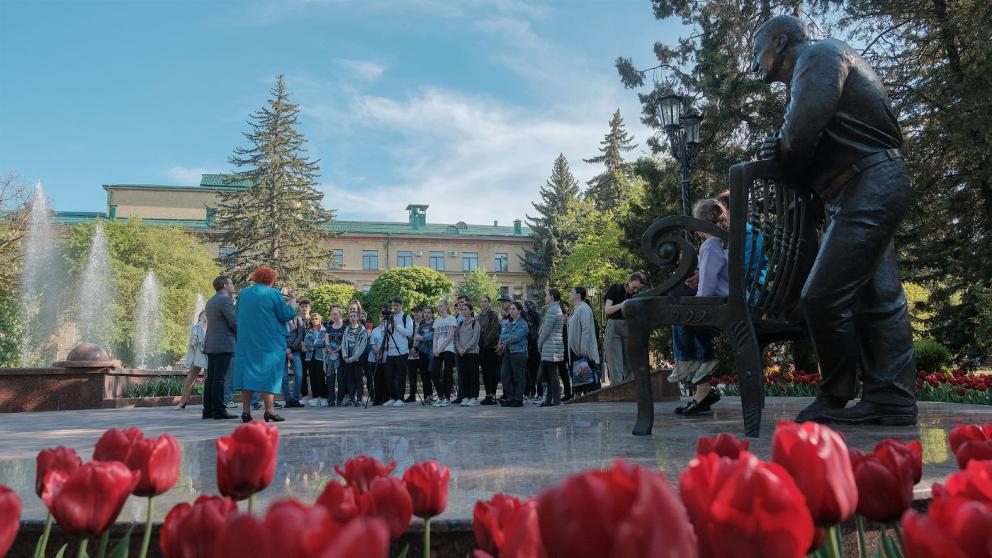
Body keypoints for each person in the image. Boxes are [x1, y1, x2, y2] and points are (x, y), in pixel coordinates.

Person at [752, 15, 917, 425]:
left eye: (758, 52)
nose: (756, 63)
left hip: (869, 182)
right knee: (882, 298)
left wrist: (782, 153)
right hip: (864, 186)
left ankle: (836, 396)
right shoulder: (816, 63)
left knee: (822, 296)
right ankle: (892, 398)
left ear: (781, 39)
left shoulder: (819, 56)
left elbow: (800, 132)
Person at [671, 199, 730, 416]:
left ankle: (692, 360)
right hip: (729, 298)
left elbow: (707, 289)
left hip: (721, 304)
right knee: (680, 307)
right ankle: (697, 376)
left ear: (699, 224)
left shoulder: (710, 245)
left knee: (680, 310)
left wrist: (694, 299)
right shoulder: (724, 242)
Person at [233, 266, 298, 422]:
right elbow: (286, 315)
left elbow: (237, 314)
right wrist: (293, 301)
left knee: (248, 375)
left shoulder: (244, 293)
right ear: (271, 280)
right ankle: (269, 410)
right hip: (269, 342)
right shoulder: (273, 293)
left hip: (247, 341)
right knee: (270, 374)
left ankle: (246, 412)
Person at [603, 271, 647, 383]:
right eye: (634, 287)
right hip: (613, 324)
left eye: (638, 289)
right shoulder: (615, 289)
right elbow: (607, 310)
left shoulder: (637, 296)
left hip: (629, 326)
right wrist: (623, 304)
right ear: (630, 281)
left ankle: (631, 388)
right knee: (614, 361)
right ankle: (616, 387)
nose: (635, 291)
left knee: (630, 361)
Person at [203, 275, 238, 420]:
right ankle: (219, 410)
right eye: (231, 283)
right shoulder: (225, 300)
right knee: (219, 379)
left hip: (211, 344)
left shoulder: (211, 300)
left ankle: (208, 410)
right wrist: (242, 336)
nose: (233, 285)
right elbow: (233, 322)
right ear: (225, 285)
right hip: (223, 344)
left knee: (211, 378)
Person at [568, 287, 601, 395]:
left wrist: (583, 348)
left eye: (572, 292)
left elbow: (586, 329)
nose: (570, 293)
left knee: (585, 376)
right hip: (574, 348)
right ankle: (577, 398)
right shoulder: (574, 309)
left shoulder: (584, 308)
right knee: (578, 376)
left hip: (582, 349)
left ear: (578, 295)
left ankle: (585, 398)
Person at [383, 296, 414, 407]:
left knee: (401, 375)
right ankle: (393, 397)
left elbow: (409, 333)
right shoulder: (390, 317)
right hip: (390, 350)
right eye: (393, 305)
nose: (395, 307)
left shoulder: (407, 317)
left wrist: (397, 326)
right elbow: (384, 332)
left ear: (401, 305)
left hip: (401, 350)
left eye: (397, 305)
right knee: (388, 375)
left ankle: (400, 398)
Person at [498, 301, 530, 407]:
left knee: (519, 376)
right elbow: (503, 334)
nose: (511, 311)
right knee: (504, 375)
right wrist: (508, 338)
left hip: (519, 352)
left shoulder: (523, 324)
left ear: (519, 311)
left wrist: (507, 339)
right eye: (510, 309)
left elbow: (516, 337)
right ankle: (510, 397)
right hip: (508, 352)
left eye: (513, 309)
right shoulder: (511, 323)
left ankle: (518, 398)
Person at [537, 289, 565, 407]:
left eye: (546, 296)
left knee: (552, 375)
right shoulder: (555, 309)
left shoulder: (553, 310)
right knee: (549, 375)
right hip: (552, 346)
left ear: (552, 297)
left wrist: (540, 343)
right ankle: (548, 400)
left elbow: (546, 331)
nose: (545, 298)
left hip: (551, 346)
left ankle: (556, 400)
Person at [176, 311, 207, 410]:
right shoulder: (196, 328)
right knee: (190, 378)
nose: (204, 317)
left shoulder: (213, 327)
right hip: (198, 355)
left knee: (208, 379)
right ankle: (182, 402)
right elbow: (192, 343)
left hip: (209, 355)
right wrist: (196, 340)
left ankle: (207, 403)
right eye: (202, 316)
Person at [430, 299, 458, 407]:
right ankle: (440, 396)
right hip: (438, 350)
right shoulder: (437, 321)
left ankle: (447, 398)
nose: (439, 308)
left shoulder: (452, 319)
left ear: (446, 307)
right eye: (438, 306)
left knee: (447, 373)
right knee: (433, 371)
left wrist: (441, 348)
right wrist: (434, 349)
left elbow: (450, 336)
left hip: (448, 349)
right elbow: (435, 337)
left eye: (441, 306)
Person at [340, 309, 369, 407]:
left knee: (358, 379)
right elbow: (343, 343)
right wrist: (344, 356)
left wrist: (352, 358)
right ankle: (352, 398)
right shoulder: (347, 329)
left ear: (357, 317)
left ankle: (359, 399)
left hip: (357, 359)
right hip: (347, 358)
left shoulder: (362, 330)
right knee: (350, 379)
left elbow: (362, 347)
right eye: (350, 316)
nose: (352, 318)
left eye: (354, 316)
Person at [283, 297, 308, 408]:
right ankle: (288, 399)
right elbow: (278, 335)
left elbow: (300, 335)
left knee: (299, 375)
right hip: (282, 351)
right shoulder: (280, 319)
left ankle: (295, 398)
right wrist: (286, 349)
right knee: (283, 377)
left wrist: (291, 349)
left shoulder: (297, 318)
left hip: (295, 350)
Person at [456, 302, 482, 406]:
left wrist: (465, 348)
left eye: (466, 309)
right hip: (461, 353)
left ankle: (474, 397)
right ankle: (466, 396)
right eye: (462, 310)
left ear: (471, 310)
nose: (464, 312)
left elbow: (475, 339)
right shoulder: (460, 324)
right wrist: (458, 348)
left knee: (473, 376)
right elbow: (456, 337)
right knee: (463, 376)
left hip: (472, 353)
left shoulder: (475, 323)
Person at [477, 296, 501, 405]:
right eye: (482, 302)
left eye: (485, 301)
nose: (483, 303)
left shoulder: (493, 315)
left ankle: (493, 395)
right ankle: (487, 395)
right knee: (485, 373)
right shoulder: (479, 316)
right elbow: (477, 331)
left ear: (489, 303)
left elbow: (494, 331)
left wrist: (485, 343)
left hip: (491, 348)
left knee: (492, 372)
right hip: (482, 349)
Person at [303, 313, 328, 407]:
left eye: (316, 318)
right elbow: (307, 344)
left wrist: (314, 344)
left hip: (321, 356)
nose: (314, 320)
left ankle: (323, 397)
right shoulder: (309, 331)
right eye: (313, 319)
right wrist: (317, 344)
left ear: (320, 319)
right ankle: (315, 397)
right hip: (310, 357)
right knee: (312, 376)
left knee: (321, 376)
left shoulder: (324, 330)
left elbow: (324, 343)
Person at [323, 306, 345, 406]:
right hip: (331, 354)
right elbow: (326, 340)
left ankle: (340, 399)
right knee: (330, 377)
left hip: (340, 354)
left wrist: (336, 351)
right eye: (332, 314)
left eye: (335, 314)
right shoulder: (329, 327)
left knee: (340, 377)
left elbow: (344, 342)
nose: (333, 316)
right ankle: (331, 399)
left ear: (340, 315)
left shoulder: (345, 327)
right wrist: (330, 351)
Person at [522, 299, 543, 403]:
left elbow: (532, 313)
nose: (525, 308)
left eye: (527, 307)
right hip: (528, 345)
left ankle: (540, 394)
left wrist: (525, 302)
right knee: (528, 372)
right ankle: (529, 392)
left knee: (536, 371)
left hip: (535, 346)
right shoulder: (525, 317)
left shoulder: (536, 315)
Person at [415, 306, 436, 403]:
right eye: (425, 312)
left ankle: (437, 395)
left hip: (433, 352)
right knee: (424, 375)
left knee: (433, 373)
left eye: (428, 312)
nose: (426, 314)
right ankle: (427, 396)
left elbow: (432, 336)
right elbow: (416, 337)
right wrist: (423, 337)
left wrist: (422, 337)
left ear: (432, 314)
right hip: (422, 352)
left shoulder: (435, 324)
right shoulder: (421, 326)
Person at [405, 306, 424, 402]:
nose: (415, 313)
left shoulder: (425, 324)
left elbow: (424, 338)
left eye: (417, 311)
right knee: (412, 375)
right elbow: (407, 337)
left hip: (421, 353)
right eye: (414, 312)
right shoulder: (410, 324)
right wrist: (410, 348)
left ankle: (427, 396)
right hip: (410, 354)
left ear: (422, 312)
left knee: (425, 375)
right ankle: (412, 396)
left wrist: (417, 349)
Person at [368, 314, 386, 405]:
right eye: (380, 317)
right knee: (377, 379)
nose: (382, 318)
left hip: (387, 357)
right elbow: (372, 343)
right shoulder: (375, 330)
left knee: (386, 378)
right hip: (376, 357)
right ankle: (377, 398)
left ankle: (386, 398)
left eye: (384, 317)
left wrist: (381, 351)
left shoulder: (390, 329)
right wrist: (377, 353)